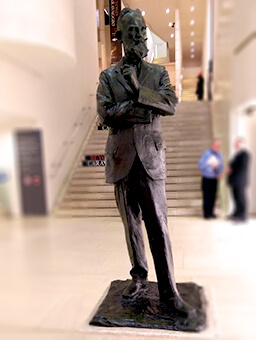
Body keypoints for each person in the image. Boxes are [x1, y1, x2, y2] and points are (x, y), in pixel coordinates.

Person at [97, 8, 194, 317]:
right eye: (132, 31)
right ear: (121, 37)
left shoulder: (158, 74)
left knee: (159, 226)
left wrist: (139, 91)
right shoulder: (108, 76)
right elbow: (105, 112)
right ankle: (138, 277)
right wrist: (132, 108)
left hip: (150, 158)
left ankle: (169, 290)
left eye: (142, 29)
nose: (139, 35)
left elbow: (170, 103)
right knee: (131, 226)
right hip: (121, 157)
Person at [198, 140, 224, 219]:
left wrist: (219, 172)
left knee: (213, 196)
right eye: (216, 145)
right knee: (207, 196)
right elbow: (200, 165)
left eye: (218, 146)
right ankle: (206, 214)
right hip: (206, 178)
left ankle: (211, 212)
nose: (217, 147)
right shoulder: (206, 154)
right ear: (212, 145)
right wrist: (210, 165)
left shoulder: (219, 155)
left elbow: (221, 166)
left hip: (214, 179)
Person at [226, 137, 250, 222]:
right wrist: (229, 169)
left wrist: (231, 169)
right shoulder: (236, 155)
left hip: (240, 181)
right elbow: (232, 165)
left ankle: (242, 216)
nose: (235, 145)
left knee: (241, 198)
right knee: (235, 198)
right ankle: (236, 214)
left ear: (242, 144)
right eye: (235, 144)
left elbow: (242, 167)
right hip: (234, 181)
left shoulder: (245, 154)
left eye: (237, 144)